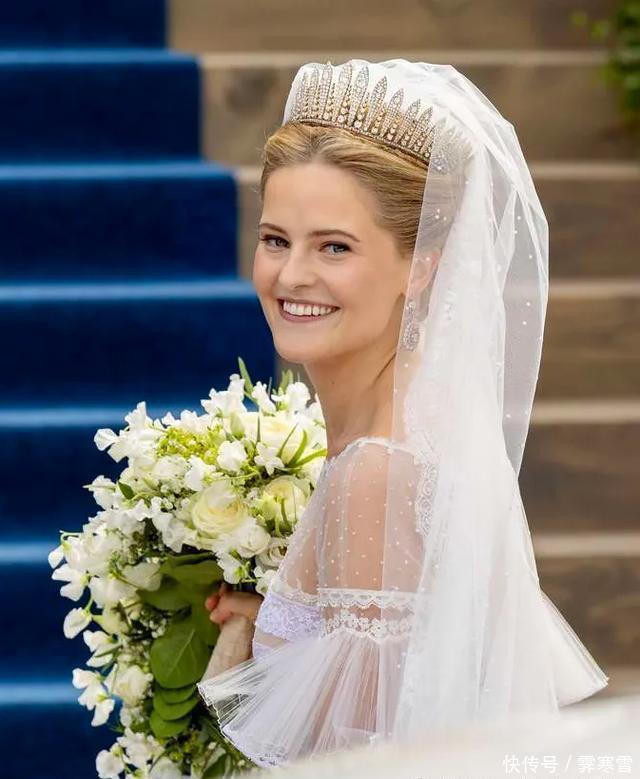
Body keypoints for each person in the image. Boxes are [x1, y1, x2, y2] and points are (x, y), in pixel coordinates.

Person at [197, 58, 609, 768]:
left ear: (420, 267)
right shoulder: (404, 433)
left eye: (334, 247)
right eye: (275, 239)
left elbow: (372, 762)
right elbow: (411, 669)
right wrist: (279, 627)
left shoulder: (377, 472)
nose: (291, 275)